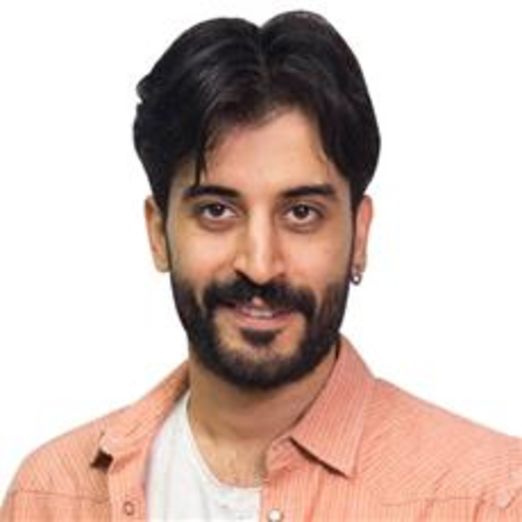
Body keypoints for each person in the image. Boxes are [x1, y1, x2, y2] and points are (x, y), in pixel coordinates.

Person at [1, 10, 521, 522]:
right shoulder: (52, 496)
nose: (260, 265)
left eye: (301, 213)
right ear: (158, 234)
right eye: (216, 211)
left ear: (359, 235)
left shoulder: (489, 498)